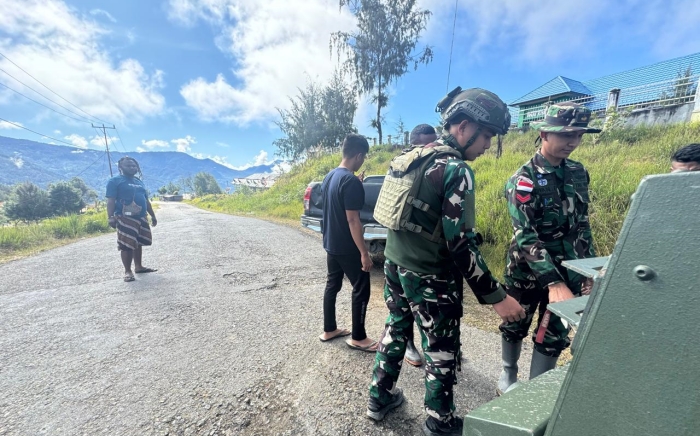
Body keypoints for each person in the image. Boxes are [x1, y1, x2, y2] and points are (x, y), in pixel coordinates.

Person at [367, 87, 526, 436]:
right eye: (486, 136)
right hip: (430, 277)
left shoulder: (415, 155)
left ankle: (379, 397)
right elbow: (461, 246)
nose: (487, 145)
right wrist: (497, 298)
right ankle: (440, 422)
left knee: (396, 329)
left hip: (395, 265)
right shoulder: (455, 170)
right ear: (464, 126)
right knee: (440, 349)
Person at [497, 102, 599, 395]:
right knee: (516, 323)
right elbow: (525, 235)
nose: (573, 142)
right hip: (527, 270)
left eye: (579, 135)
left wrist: (589, 270)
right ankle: (508, 375)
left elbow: (582, 224)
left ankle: (535, 392)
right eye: (566, 134)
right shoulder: (523, 180)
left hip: (569, 268)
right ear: (544, 134)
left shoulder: (579, 172)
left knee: (555, 333)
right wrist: (552, 281)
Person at [318, 134, 378, 353]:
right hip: (347, 246)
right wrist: (364, 252)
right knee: (361, 288)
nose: (363, 161)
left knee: (332, 284)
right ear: (359, 155)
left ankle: (329, 329)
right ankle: (359, 338)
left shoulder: (329, 177)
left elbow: (335, 204)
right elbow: (353, 220)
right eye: (364, 158)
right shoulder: (350, 181)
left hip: (331, 243)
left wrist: (356, 183)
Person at [106, 156, 158, 282]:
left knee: (138, 242)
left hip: (141, 217)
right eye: (128, 165)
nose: (132, 168)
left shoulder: (139, 181)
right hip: (124, 217)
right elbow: (110, 200)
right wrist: (110, 217)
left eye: (134, 166)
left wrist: (152, 215)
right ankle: (128, 271)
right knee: (126, 244)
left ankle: (139, 266)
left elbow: (146, 200)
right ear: (120, 167)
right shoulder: (115, 181)